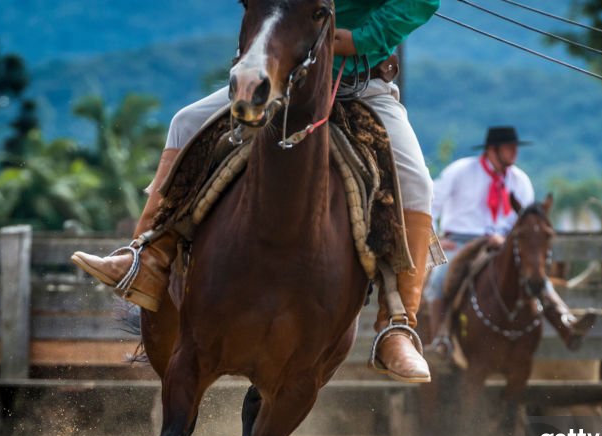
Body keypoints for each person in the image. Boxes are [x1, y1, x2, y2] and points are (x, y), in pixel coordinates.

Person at [71, 1, 443, 384]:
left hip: (363, 84)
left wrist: (360, 38)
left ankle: (397, 325)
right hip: (280, 74)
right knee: (185, 124)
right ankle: (147, 259)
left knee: (416, 182)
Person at [426, 126, 597, 357]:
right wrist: (433, 238)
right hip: (461, 240)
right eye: (509, 148)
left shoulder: (520, 180)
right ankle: (441, 339)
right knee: (439, 278)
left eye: (515, 148)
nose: (514, 152)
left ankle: (567, 324)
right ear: (492, 150)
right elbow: (430, 202)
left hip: (505, 243)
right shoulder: (461, 171)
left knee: (536, 276)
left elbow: (525, 221)